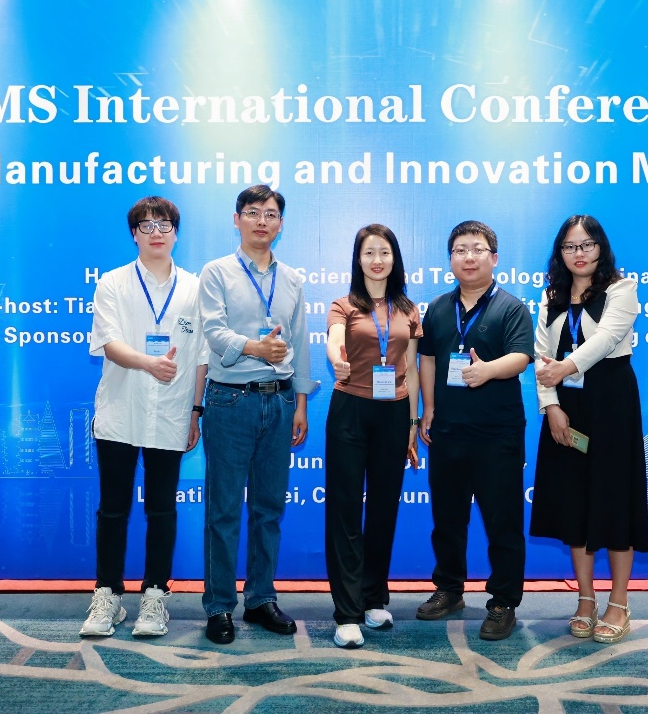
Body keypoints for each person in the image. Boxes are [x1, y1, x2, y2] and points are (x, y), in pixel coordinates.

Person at [82, 196, 208, 638]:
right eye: (146, 225)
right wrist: (148, 363)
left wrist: (195, 410)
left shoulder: (195, 288)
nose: (157, 232)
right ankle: (107, 596)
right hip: (121, 409)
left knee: (161, 509)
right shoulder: (113, 283)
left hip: (172, 412)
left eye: (165, 224)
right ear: (134, 234)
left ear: (176, 232)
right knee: (113, 509)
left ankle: (155, 596)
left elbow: (201, 357)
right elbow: (109, 343)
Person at [197, 184, 316, 645]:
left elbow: (300, 342)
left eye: (270, 214)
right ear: (237, 220)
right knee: (224, 510)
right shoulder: (217, 272)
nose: (261, 221)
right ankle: (219, 606)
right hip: (230, 400)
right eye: (252, 212)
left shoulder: (292, 279)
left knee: (269, 508)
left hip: (280, 401)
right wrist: (254, 347)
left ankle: (261, 598)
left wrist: (300, 403)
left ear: (280, 224)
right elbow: (213, 331)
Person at [415, 220, 534, 641]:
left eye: (477, 249)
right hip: (448, 431)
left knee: (503, 522)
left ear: (494, 258)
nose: (469, 257)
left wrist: (487, 371)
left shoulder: (512, 308)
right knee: (447, 519)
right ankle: (449, 589)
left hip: (497, 434)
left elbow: (522, 357)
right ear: (450, 259)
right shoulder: (438, 309)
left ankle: (503, 602)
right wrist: (428, 409)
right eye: (460, 250)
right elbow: (428, 359)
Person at [531, 214, 648, 645]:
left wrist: (567, 367)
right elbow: (541, 356)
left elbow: (606, 340)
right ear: (559, 253)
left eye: (586, 245)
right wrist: (551, 407)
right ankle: (585, 598)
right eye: (569, 246)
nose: (578, 254)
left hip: (611, 400)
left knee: (614, 501)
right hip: (567, 402)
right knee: (573, 503)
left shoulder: (622, 289)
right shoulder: (551, 296)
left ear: (600, 247)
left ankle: (619, 602)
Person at [325, 224, 422, 649]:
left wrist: (413, 424)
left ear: (394, 258)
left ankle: (372, 598)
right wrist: (337, 360)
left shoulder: (408, 309)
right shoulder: (343, 305)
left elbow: (412, 370)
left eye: (384, 252)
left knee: (384, 508)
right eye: (369, 253)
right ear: (358, 259)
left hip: (394, 412)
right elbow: (334, 342)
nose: (377, 260)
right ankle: (346, 613)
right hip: (350, 409)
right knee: (345, 509)